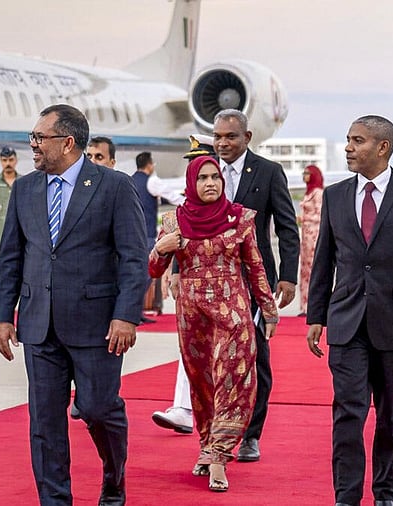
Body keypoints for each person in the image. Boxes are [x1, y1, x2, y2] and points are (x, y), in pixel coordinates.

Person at [0, 104, 148, 506]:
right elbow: (12, 255)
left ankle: (114, 480)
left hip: (97, 325)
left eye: (39, 138)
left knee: (98, 409)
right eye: (32, 138)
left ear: (67, 141)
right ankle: (55, 500)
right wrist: (2, 317)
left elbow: (134, 256)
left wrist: (126, 315)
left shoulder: (114, 186)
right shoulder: (25, 188)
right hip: (38, 324)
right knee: (44, 422)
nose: (33, 146)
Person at [306, 115, 393, 506]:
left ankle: (385, 493)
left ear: (382, 148)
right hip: (346, 322)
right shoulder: (334, 196)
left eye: (357, 140)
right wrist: (315, 316)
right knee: (348, 413)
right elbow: (324, 261)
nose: (348, 147)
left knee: (390, 416)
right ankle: (346, 496)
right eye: (349, 139)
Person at [149, 155, 278, 493]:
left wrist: (268, 307)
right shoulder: (174, 221)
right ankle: (207, 446)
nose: (210, 183)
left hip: (233, 313)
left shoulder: (240, 219)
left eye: (216, 177)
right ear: (191, 182)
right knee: (203, 387)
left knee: (233, 383)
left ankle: (220, 456)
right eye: (203, 177)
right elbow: (152, 270)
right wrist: (161, 249)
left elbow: (255, 266)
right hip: (193, 318)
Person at [210, 109, 299, 462]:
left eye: (230, 136)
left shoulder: (268, 172)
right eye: (217, 137)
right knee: (215, 360)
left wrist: (288, 276)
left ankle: (251, 434)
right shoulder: (206, 169)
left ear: (247, 137)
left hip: (253, 280)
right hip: (212, 280)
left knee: (255, 358)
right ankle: (216, 433)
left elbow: (287, 228)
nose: (222, 143)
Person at [150, 134, 214, 434]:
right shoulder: (182, 210)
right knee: (189, 346)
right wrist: (173, 269)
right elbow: (180, 241)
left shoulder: (232, 201)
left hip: (231, 291)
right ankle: (183, 408)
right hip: (193, 288)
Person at [132, 151, 185, 325]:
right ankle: (135, 311)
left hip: (133, 234)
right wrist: (190, 204)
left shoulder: (131, 180)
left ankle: (134, 310)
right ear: (149, 165)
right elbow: (172, 196)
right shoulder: (152, 181)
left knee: (135, 274)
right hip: (146, 235)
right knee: (147, 274)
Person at [298, 164, 324, 317]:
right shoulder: (308, 193)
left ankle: (314, 306)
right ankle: (305, 306)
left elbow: (321, 214)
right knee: (305, 271)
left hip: (314, 235)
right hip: (306, 237)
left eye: (307, 173)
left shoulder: (318, 193)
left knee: (314, 270)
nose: (304, 176)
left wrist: (305, 218)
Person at [0, 146, 20, 267]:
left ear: (16, 160)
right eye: (4, 160)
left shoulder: (23, 182)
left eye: (11, 160)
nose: (8, 163)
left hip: (19, 229)